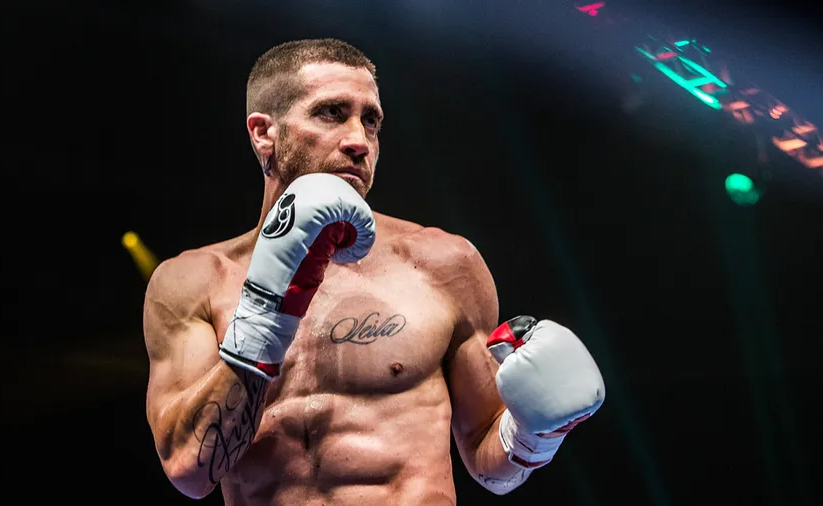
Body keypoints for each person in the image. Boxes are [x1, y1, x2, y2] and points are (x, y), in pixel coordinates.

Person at [143, 38, 605, 505]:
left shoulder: (443, 264)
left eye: (370, 121)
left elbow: (489, 460)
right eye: (331, 113)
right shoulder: (192, 282)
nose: (359, 142)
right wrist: (266, 312)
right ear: (264, 133)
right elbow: (189, 470)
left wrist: (534, 435)